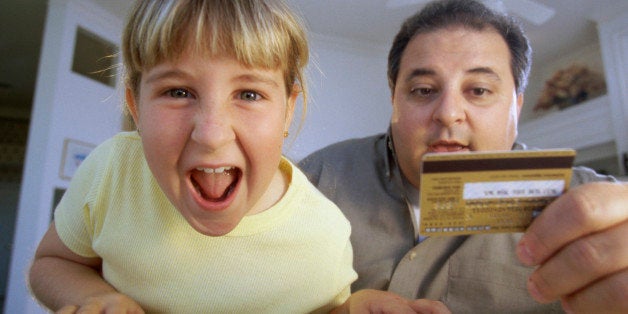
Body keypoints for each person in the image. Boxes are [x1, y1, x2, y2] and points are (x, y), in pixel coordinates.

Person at [28, 0, 358, 313]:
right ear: (136, 107)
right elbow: (52, 263)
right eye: (178, 92)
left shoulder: (326, 238)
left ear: (287, 112)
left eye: (249, 94)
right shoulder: (112, 172)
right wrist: (97, 297)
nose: (212, 135)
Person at [299, 0, 628, 313]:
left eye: (479, 90)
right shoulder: (315, 180)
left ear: (516, 106)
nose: (448, 113)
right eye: (424, 90)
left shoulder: (586, 205)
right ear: (394, 99)